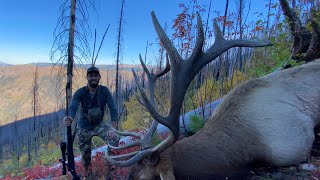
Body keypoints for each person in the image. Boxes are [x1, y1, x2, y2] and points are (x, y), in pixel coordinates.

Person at [63, 66, 120, 170]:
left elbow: (113, 109)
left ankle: (109, 164)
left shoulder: (104, 91)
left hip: (99, 125)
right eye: (91, 76)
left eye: (95, 75)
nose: (93, 78)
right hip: (84, 127)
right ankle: (88, 174)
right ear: (87, 77)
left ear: (99, 77)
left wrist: (113, 128)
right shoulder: (80, 92)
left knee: (115, 138)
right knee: (86, 157)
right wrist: (69, 118)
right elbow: (73, 107)